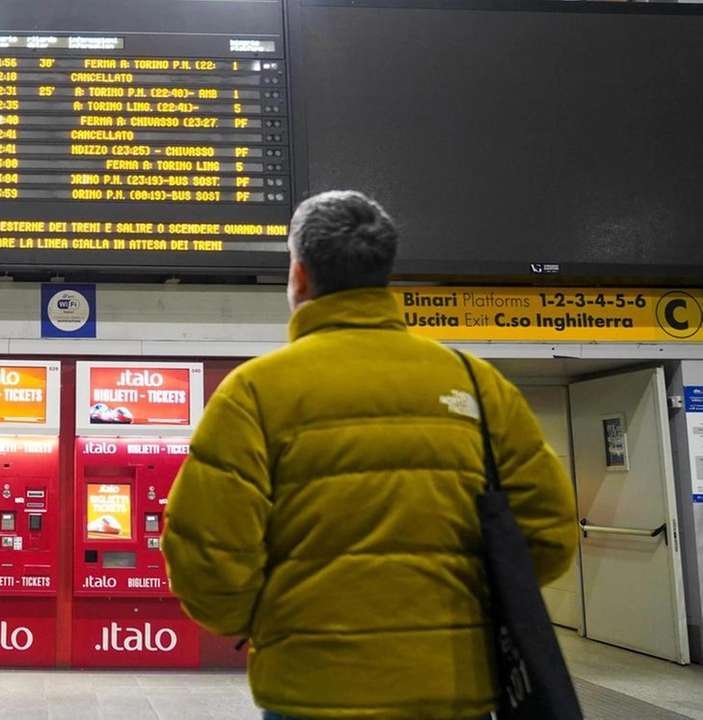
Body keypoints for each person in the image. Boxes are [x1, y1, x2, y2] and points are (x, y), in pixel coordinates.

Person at [161, 190, 578, 720]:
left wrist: (268, 620)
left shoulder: (254, 392)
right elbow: (549, 532)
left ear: (299, 276)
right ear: (385, 274)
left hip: (311, 689)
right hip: (453, 688)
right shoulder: (476, 383)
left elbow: (207, 555)